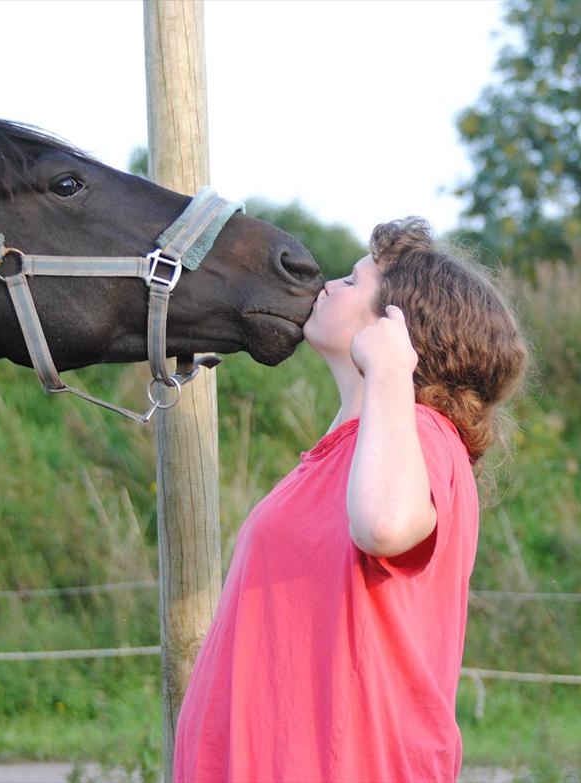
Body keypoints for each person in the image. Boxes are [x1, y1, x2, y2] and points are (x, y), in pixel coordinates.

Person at [174, 217, 529, 782]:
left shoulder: (424, 433)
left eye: (351, 280)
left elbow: (385, 526)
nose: (330, 285)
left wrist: (388, 369)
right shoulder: (338, 453)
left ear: (397, 328)